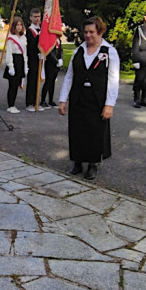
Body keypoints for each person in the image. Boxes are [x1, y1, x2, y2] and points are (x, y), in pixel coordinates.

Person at [59, 16, 119, 180]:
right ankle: (77, 162)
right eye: (85, 32)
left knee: (94, 132)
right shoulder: (78, 51)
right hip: (78, 98)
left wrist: (109, 105)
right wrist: (63, 100)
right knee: (77, 130)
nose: (88, 35)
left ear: (100, 31)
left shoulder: (109, 52)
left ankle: (93, 164)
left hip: (97, 99)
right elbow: (69, 76)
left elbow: (113, 80)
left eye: (92, 32)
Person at [2, 16, 27, 113]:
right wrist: (10, 66)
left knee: (17, 84)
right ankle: (10, 105)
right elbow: (8, 53)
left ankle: (13, 104)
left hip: (21, 61)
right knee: (12, 84)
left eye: (21, 25)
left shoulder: (24, 38)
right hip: (13, 61)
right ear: (14, 26)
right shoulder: (11, 38)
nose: (19, 27)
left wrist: (26, 66)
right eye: (17, 25)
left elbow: (25, 53)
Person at [24, 8, 46, 111]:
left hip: (41, 58)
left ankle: (37, 101)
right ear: (31, 18)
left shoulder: (42, 29)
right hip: (33, 58)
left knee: (39, 80)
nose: (37, 19)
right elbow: (31, 46)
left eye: (39, 16)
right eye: (35, 17)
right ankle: (30, 103)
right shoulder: (30, 31)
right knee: (32, 80)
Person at [39, 35, 63, 107]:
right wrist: (56, 61)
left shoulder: (59, 40)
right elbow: (50, 52)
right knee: (48, 81)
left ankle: (50, 100)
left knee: (53, 81)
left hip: (57, 63)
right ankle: (43, 100)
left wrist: (61, 58)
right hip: (50, 63)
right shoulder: (50, 40)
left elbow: (60, 50)